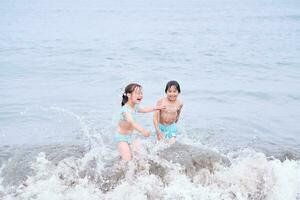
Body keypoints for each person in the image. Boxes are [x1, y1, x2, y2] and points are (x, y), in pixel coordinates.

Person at [116, 83, 163, 161]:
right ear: (128, 95)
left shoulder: (135, 106)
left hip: (130, 137)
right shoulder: (125, 110)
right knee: (127, 160)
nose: (140, 95)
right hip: (122, 139)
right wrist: (142, 130)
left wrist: (157, 108)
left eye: (141, 93)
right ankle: (119, 170)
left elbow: (145, 109)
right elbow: (131, 122)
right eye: (137, 93)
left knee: (142, 156)